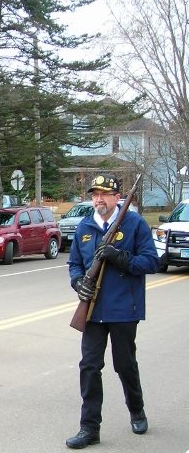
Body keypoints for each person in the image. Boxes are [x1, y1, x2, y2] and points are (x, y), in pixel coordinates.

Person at [65, 174, 159, 449]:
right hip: (92, 310)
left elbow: (151, 261)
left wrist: (120, 257)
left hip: (123, 309)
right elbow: (74, 264)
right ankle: (89, 427)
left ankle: (137, 410)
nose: (99, 199)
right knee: (90, 367)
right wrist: (78, 282)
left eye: (105, 194)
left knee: (124, 365)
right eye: (95, 194)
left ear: (117, 198)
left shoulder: (134, 223)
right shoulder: (85, 225)